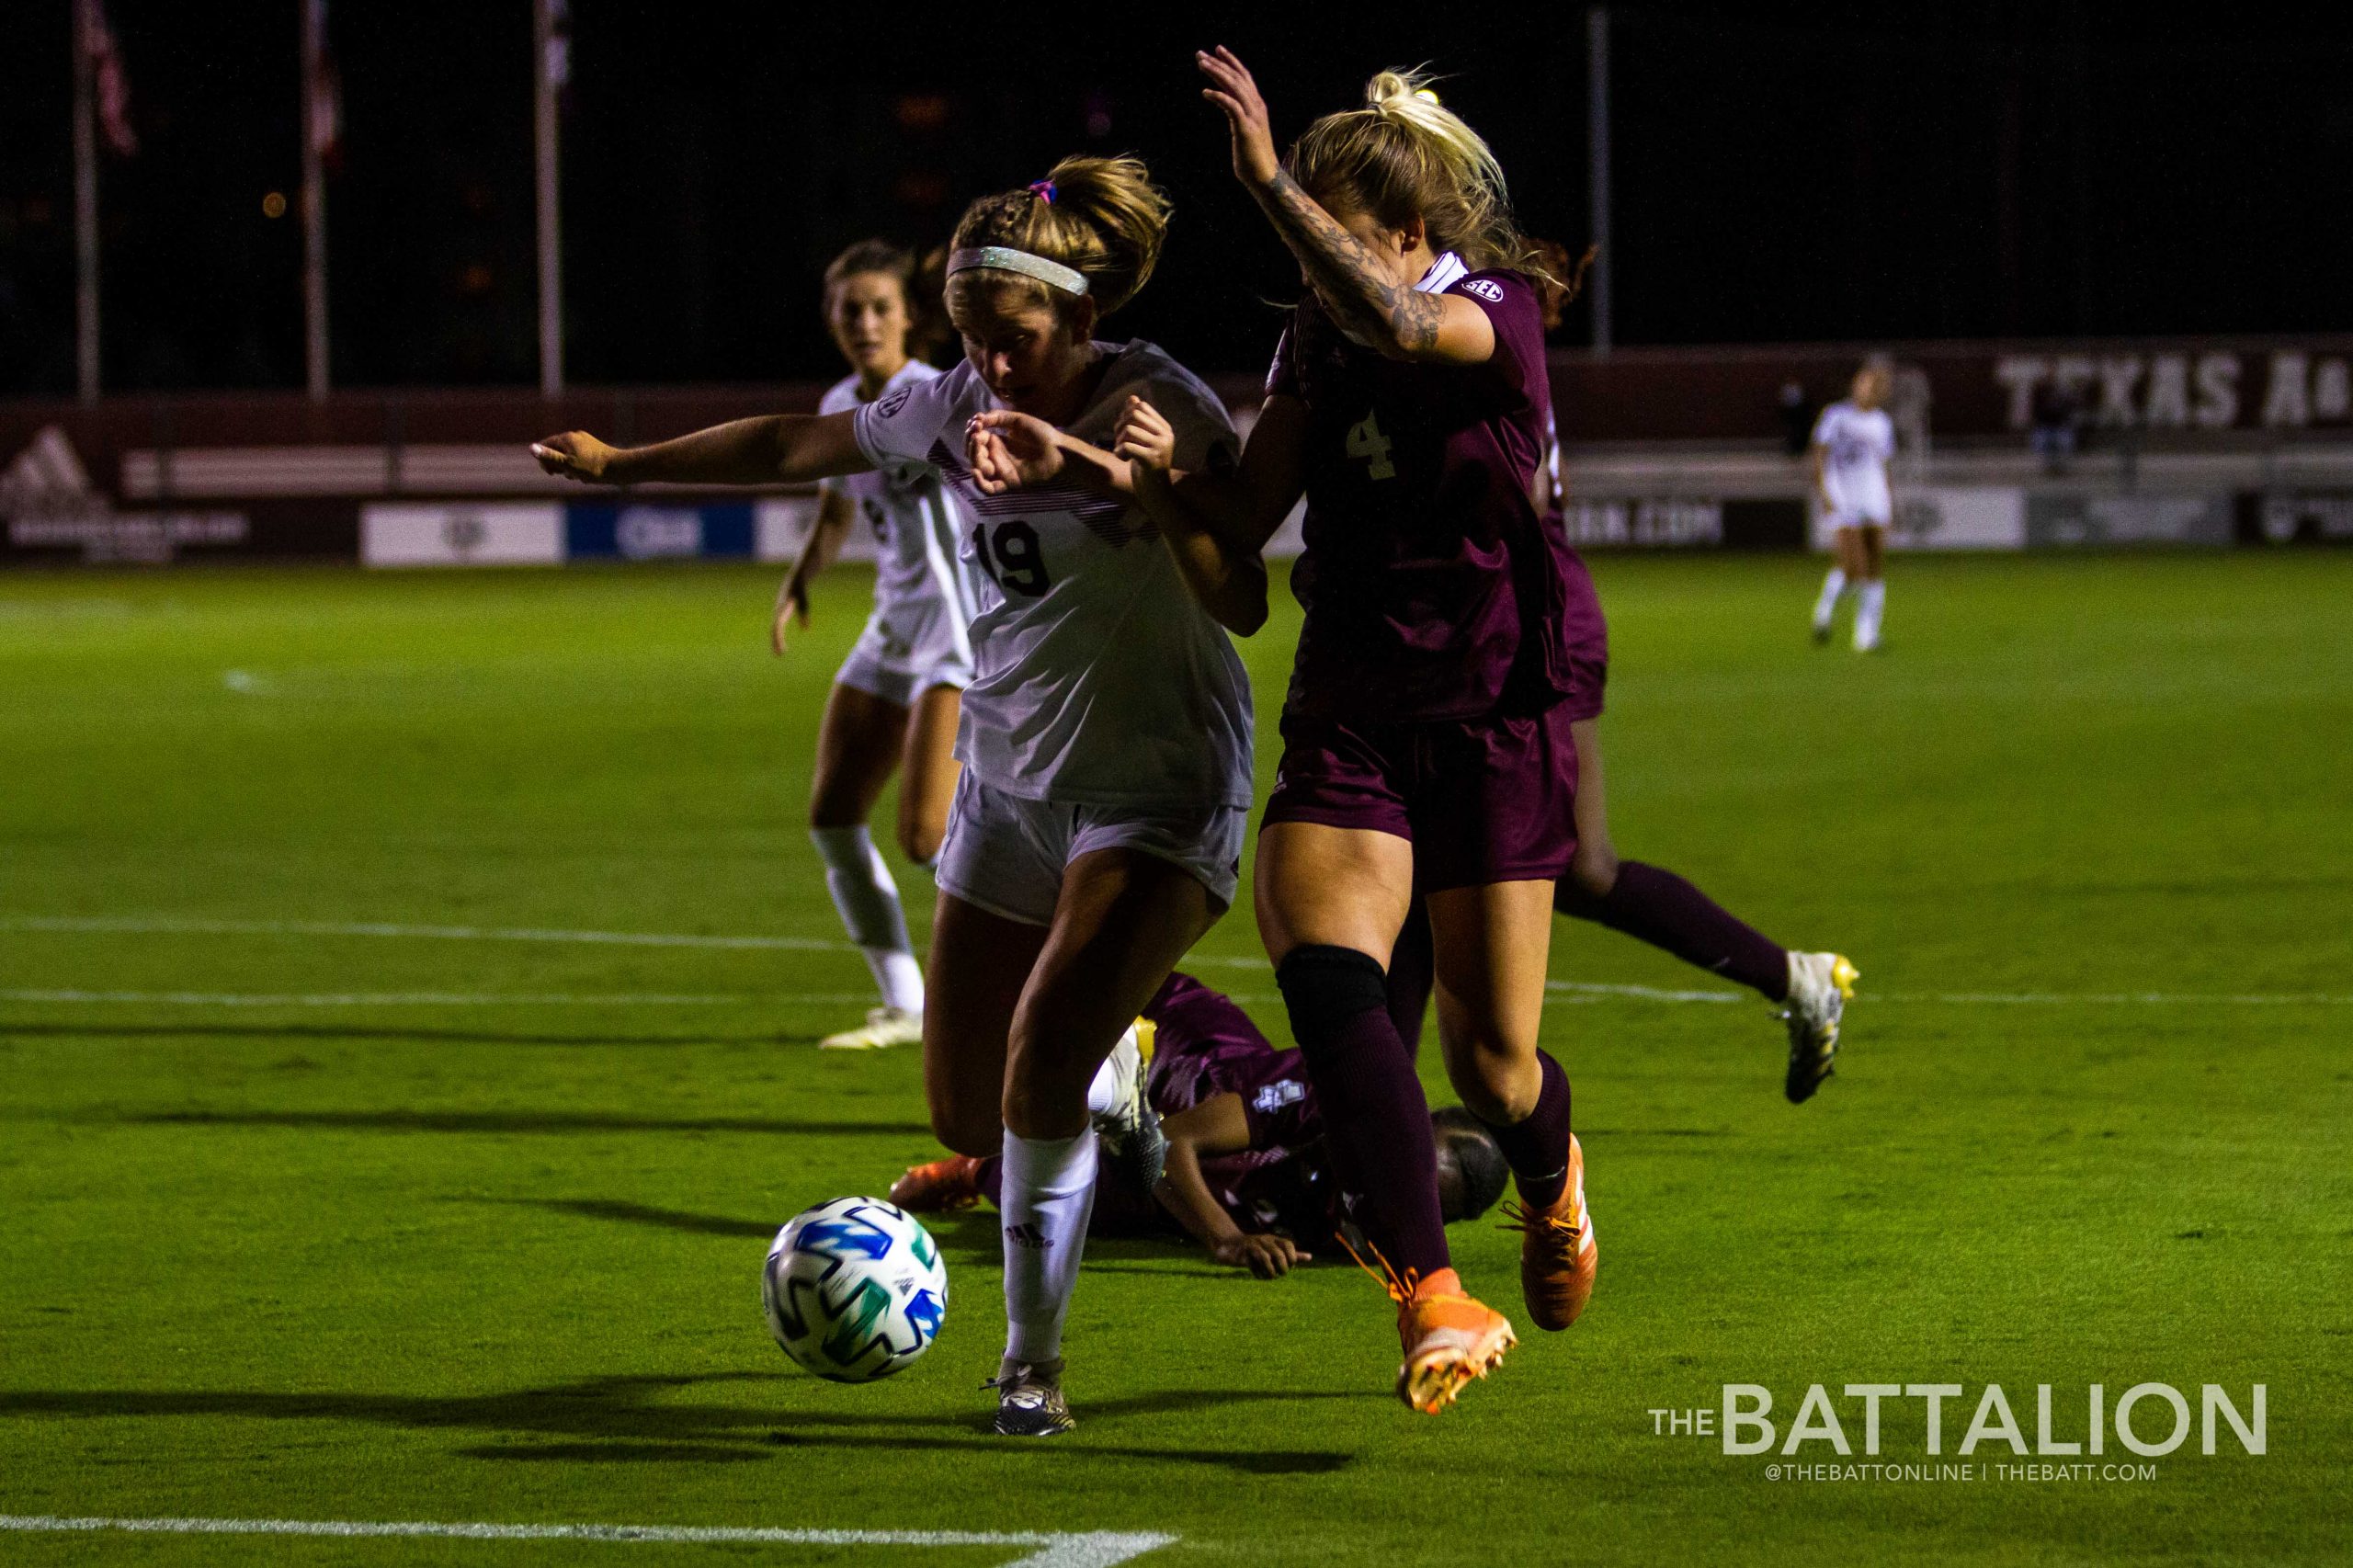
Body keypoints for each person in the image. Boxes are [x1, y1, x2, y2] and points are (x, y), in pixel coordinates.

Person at [535, 156, 1255, 1439]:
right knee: (965, 1109)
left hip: (1157, 785)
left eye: (1018, 341)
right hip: (1011, 782)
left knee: (1035, 1063)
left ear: (1082, 320)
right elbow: (790, 440)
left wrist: (1111, 469)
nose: (992, 368)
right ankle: (1118, 1082)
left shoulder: (1163, 405)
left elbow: (1244, 591)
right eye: (973, 342)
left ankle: (1030, 1367)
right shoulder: (943, 402)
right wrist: (623, 462)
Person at [1163, 50, 1590, 1415]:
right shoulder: (1313, 338)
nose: (1312, 263)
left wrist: (1272, 181)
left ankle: (1552, 1181)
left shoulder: (1493, 308)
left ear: (1413, 232)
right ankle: (1430, 1293)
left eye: (1339, 232)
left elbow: (1408, 334)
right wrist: (1135, 474)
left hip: (1493, 716)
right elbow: (1241, 522)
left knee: (1493, 1062)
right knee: (1326, 968)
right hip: (1350, 706)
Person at [890, 971, 1511, 1276]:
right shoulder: (1329, 1096)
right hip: (1153, 1039)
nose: (1393, 1192)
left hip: (1162, 1170)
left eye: (1426, 1206)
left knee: (1063, 1202)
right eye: (1411, 1168)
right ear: (1409, 1130)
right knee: (1000, 1113)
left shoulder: (1367, 1239)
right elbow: (1172, 1140)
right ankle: (970, 1161)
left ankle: (980, 1173)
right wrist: (1226, 1239)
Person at [766, 240, 979, 1051]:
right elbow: (834, 513)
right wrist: (800, 582)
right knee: (832, 815)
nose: (863, 322)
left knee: (927, 837)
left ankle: (1046, 960)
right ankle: (905, 1003)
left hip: (957, 632)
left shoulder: (934, 395)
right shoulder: (838, 402)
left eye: (880, 307)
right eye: (849, 309)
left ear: (911, 318)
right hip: (893, 627)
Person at [1809, 360, 1898, 652]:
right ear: (1856, 385)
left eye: (1878, 387)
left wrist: (1889, 499)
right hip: (1844, 497)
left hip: (1873, 498)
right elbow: (1820, 455)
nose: (1872, 390)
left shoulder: (1882, 423)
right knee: (1853, 567)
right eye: (1867, 383)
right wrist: (1824, 493)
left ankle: (1866, 635)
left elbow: (1883, 465)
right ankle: (1825, 609)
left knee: (1874, 567)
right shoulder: (1837, 416)